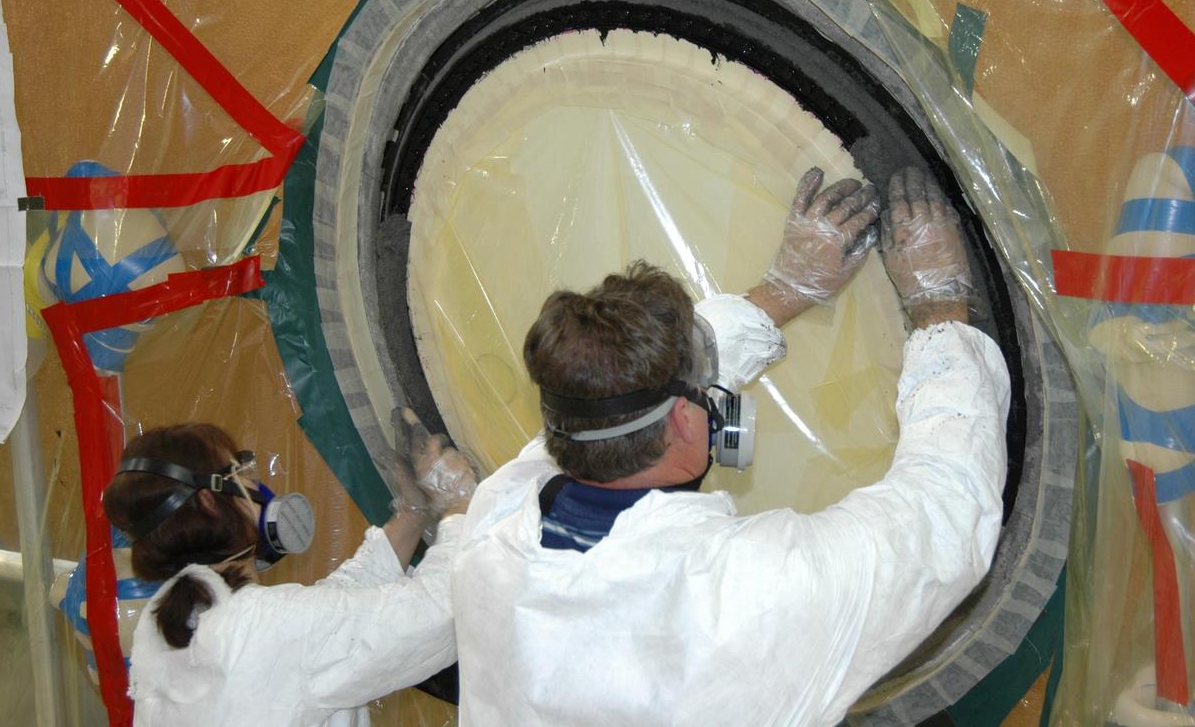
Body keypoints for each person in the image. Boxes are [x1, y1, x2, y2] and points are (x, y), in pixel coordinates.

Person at [450, 166, 1008, 725]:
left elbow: (602, 401)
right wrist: (939, 312)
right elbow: (945, 512)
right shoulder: (751, 589)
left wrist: (784, 292)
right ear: (689, 423)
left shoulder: (494, 524)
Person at [102, 417, 477, 727]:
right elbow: (436, 611)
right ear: (209, 502)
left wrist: (411, 514)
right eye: (239, 471)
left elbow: (332, 616)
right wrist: (460, 504)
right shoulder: (264, 626)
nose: (253, 485)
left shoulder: (168, 619)